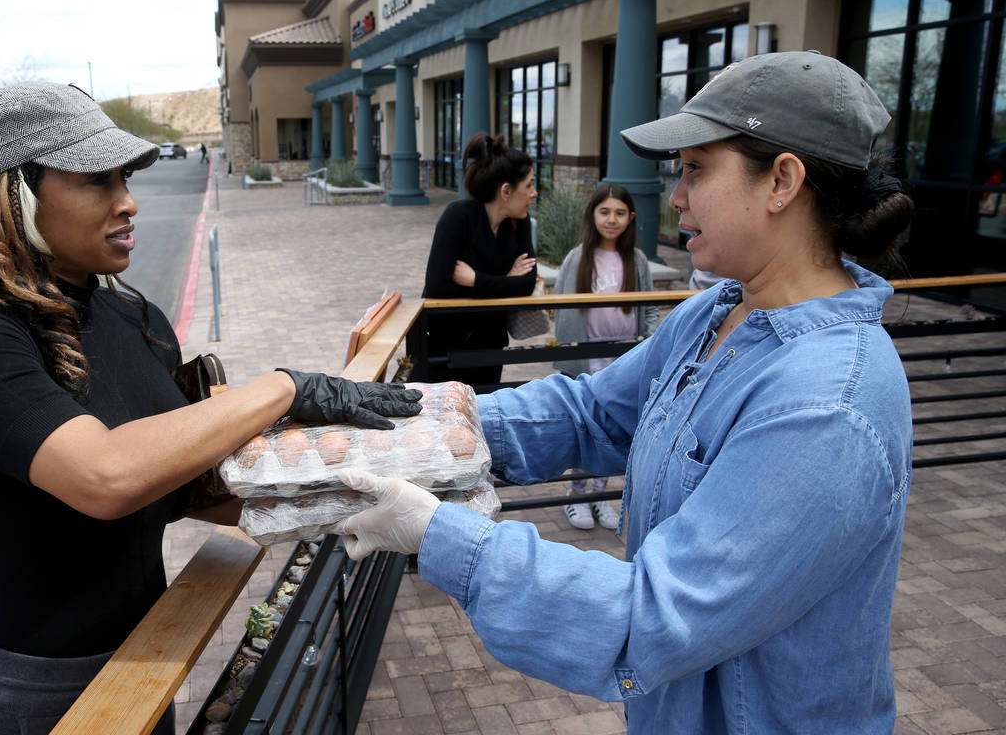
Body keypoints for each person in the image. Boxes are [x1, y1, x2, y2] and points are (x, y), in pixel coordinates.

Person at [333, 52, 915, 732]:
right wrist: (416, 425)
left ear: (783, 181)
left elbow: (652, 619)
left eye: (697, 168)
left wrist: (438, 536)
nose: (674, 196)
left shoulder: (829, 407)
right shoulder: (718, 310)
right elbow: (591, 413)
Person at [0, 82, 421, 735]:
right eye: (96, 181)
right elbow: (107, 477)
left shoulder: (135, 318)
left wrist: (345, 495)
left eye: (125, 179)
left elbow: (178, 491)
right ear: (13, 192)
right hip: (12, 702)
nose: (127, 202)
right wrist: (283, 388)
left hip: (138, 668)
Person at [552, 183, 659, 530]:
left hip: (624, 360)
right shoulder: (577, 257)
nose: (612, 219)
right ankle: (577, 495)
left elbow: (649, 308)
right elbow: (561, 309)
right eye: (604, 211)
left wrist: (647, 346)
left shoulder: (637, 260)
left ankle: (601, 496)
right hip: (588, 362)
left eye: (619, 212)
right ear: (592, 214)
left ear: (630, 217)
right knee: (587, 428)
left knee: (616, 433)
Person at [413, 131, 538, 386]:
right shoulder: (458, 216)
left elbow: (526, 284)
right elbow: (438, 286)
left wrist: (475, 280)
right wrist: (505, 281)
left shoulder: (519, 223)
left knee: (482, 416)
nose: (534, 193)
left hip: (491, 345)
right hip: (443, 348)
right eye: (529, 185)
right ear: (506, 191)